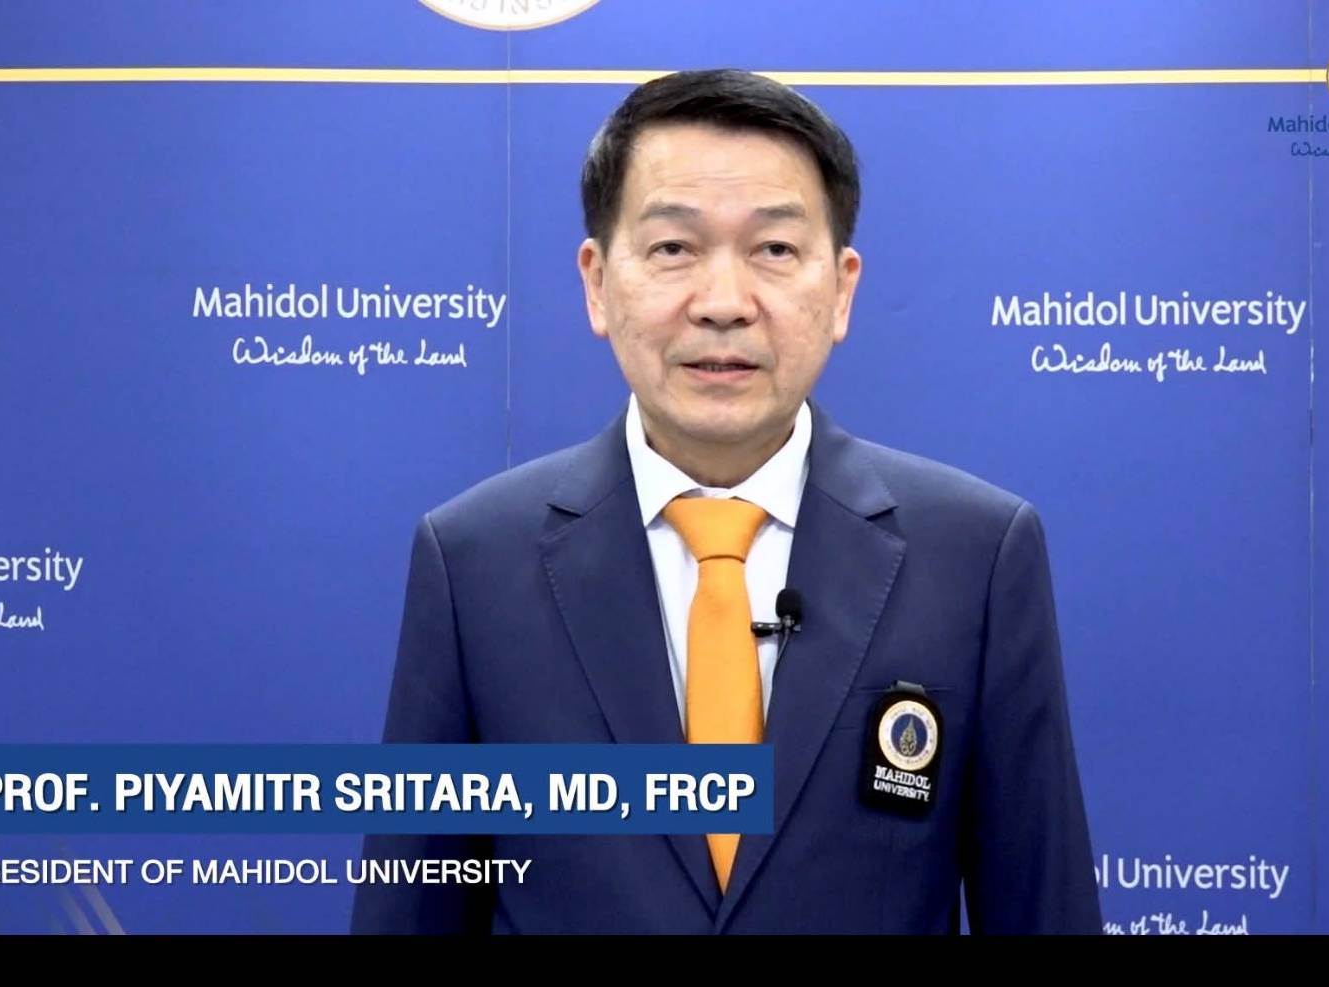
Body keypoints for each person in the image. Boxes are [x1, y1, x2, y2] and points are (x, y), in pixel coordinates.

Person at [352, 68, 1101, 934]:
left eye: (773, 250)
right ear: (596, 282)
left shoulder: (974, 556)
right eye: (673, 248)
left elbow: (1041, 906)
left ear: (841, 288)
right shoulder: (474, 563)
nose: (722, 304)